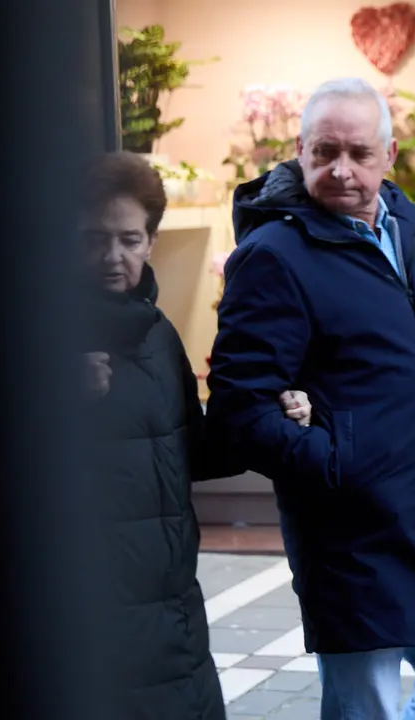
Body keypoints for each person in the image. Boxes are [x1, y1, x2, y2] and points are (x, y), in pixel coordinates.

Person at [205, 77, 415, 720]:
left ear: (389, 152)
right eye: (325, 152)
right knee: (367, 708)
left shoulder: (409, 225)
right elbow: (238, 408)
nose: (341, 171)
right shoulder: (274, 254)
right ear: (299, 150)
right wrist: (331, 458)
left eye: (358, 153)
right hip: (351, 531)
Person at [80, 152, 311, 719]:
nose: (114, 256)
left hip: (172, 615)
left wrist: (271, 414)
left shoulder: (158, 336)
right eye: (95, 238)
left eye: (130, 239)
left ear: (151, 241)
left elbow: (195, 452)